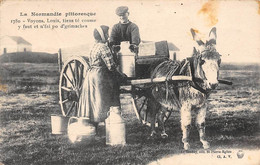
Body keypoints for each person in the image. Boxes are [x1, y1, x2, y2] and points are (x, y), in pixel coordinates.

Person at [78, 25, 124, 131]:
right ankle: (112, 120)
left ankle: (93, 124)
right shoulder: (103, 47)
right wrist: (120, 74)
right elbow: (111, 66)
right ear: (102, 35)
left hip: (91, 75)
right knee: (106, 97)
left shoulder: (93, 46)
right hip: (101, 76)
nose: (108, 36)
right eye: (107, 34)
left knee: (94, 100)